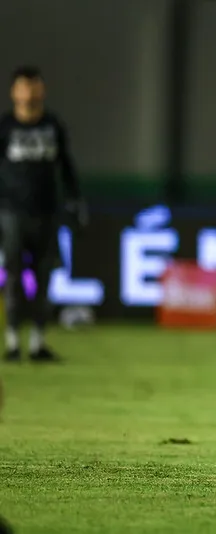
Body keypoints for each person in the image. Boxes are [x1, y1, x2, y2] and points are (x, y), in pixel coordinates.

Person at [0, 66, 86, 363]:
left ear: (42, 90)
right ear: (14, 92)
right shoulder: (5, 128)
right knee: (12, 278)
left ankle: (37, 342)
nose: (30, 93)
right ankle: (12, 341)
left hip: (47, 213)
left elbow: (66, 165)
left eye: (35, 86)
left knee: (44, 278)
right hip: (12, 213)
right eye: (24, 87)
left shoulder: (53, 126)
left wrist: (74, 200)